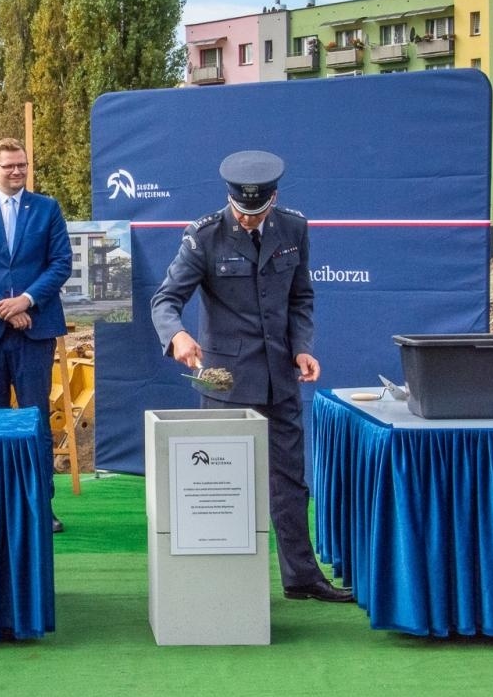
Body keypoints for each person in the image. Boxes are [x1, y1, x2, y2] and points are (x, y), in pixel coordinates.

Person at [149, 150, 352, 603]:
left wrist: (302, 348)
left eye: (255, 212)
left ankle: (302, 577)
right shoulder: (203, 236)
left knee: (290, 482)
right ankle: (221, 583)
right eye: (240, 210)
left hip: (280, 378)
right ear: (230, 199)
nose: (246, 219)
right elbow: (165, 300)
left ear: (273, 199)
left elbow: (301, 297)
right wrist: (177, 335)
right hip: (225, 383)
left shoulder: (294, 229)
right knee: (221, 484)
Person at [0, 138, 72, 534]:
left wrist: (26, 300)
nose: (17, 171)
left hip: (35, 331)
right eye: (9, 166)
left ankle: (39, 506)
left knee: (35, 420)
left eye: (22, 165)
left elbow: (61, 263)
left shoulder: (48, 209)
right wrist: (1, 306)